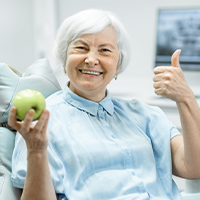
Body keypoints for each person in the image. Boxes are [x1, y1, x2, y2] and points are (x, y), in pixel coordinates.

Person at [8, 9, 200, 200]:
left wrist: (186, 98)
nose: (91, 60)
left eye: (105, 50)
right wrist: (36, 150)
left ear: (118, 64)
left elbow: (194, 168)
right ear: (64, 57)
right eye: (81, 48)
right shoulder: (42, 122)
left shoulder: (145, 115)